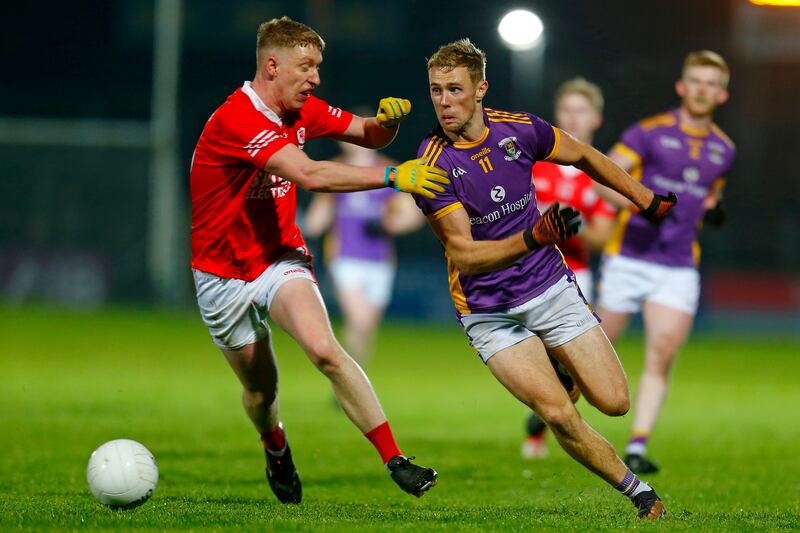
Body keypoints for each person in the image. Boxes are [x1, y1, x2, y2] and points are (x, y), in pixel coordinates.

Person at [413, 38, 677, 520]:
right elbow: (466, 256)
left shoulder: (520, 130)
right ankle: (637, 491)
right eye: (436, 91)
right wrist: (533, 238)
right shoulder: (432, 164)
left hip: (549, 288)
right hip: (487, 312)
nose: (445, 101)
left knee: (615, 402)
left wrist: (644, 198)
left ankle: (560, 367)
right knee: (557, 413)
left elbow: (585, 156)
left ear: (480, 89)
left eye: (455, 89)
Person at [189, 16, 447, 504]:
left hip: (279, 258)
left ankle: (396, 460)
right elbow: (308, 174)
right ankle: (276, 447)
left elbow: (366, 135)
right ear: (272, 65)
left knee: (326, 349)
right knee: (262, 393)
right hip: (220, 274)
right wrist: (393, 178)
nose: (316, 79)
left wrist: (385, 124)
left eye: (317, 67)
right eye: (306, 67)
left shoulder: (301, 108)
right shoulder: (237, 119)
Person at [595, 50, 735, 474]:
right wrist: (640, 204)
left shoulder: (724, 150)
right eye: (696, 80)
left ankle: (637, 446)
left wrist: (713, 210)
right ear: (682, 86)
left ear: (722, 95)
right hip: (628, 257)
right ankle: (559, 408)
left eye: (711, 83)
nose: (702, 89)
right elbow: (603, 177)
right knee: (597, 351)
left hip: (677, 265)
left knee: (661, 353)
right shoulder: (649, 132)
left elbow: (710, 197)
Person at [522, 77, 617, 460]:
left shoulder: (601, 172)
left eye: (581, 111)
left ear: (595, 118)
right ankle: (541, 424)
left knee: (564, 361)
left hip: (576, 276)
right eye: (566, 110)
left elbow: (601, 237)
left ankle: (540, 427)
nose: (573, 118)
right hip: (526, 272)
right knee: (533, 356)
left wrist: (569, 222)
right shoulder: (533, 164)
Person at [304, 140, 425, 368]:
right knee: (358, 319)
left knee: (367, 326)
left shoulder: (390, 171)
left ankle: (353, 376)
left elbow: (412, 216)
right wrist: (307, 235)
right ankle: (346, 373)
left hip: (380, 260)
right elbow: (319, 213)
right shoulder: (336, 170)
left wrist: (388, 225)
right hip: (344, 257)